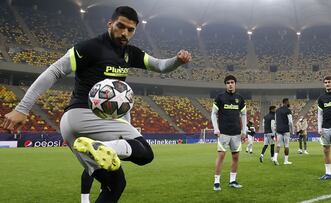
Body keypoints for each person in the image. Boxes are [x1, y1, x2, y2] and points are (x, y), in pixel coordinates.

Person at [1, 6, 192, 202]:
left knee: (115, 185)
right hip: (87, 115)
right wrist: (22, 108)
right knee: (145, 153)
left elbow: (159, 65)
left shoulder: (130, 53)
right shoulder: (90, 47)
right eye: (121, 26)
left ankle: (100, 147)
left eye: (130, 29)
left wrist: (177, 60)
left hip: (72, 126)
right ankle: (104, 146)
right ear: (110, 24)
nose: (125, 33)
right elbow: (54, 71)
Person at [211, 75, 247, 191]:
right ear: (225, 85)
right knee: (221, 156)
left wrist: (244, 130)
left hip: (236, 132)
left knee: (235, 157)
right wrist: (216, 129)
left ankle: (233, 180)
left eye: (232, 82)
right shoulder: (220, 97)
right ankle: (216, 182)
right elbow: (213, 114)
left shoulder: (240, 98)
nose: (230, 84)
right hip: (223, 132)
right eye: (228, 83)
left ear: (235, 83)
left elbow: (244, 114)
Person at [273, 98, 294, 165]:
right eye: (288, 102)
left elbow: (275, 121)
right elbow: (290, 122)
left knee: (278, 145)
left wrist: (276, 128)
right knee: (286, 146)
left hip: (279, 129)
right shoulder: (288, 110)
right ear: (287, 102)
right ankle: (286, 161)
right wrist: (292, 130)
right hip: (286, 129)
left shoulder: (277, 110)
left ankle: (275, 158)